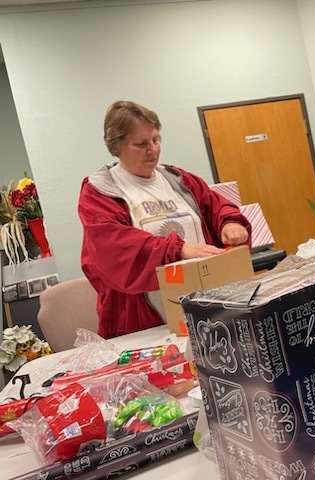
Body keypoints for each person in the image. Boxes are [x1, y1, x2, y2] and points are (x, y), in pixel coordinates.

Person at [78, 100, 251, 339]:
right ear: (117, 147)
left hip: (206, 309)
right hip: (146, 320)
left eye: (155, 139)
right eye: (141, 144)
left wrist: (230, 223)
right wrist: (178, 250)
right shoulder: (100, 193)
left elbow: (216, 207)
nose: (153, 149)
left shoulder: (180, 180)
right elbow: (115, 248)